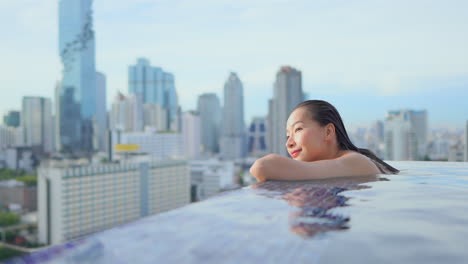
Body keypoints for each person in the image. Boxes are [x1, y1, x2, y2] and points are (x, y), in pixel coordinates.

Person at [250, 100, 399, 182]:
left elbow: (262, 167)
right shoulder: (342, 164)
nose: (289, 142)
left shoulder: (354, 161)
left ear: (328, 132)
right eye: (287, 135)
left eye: (298, 129)